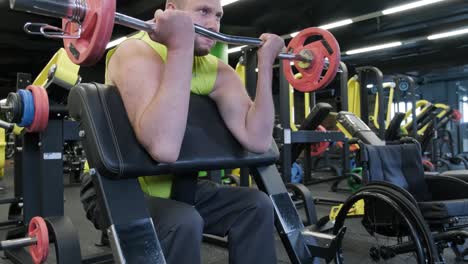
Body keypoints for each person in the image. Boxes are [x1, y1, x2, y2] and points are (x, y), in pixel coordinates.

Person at [81, 0, 285, 263]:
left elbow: (258, 141)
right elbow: (163, 147)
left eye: (218, 15)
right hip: (113, 187)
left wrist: (266, 65)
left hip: (180, 184)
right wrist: (180, 46)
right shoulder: (135, 52)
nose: (213, 24)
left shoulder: (216, 69)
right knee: (182, 221)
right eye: (203, 11)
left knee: (256, 206)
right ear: (172, 10)